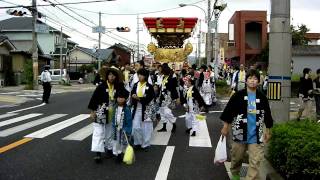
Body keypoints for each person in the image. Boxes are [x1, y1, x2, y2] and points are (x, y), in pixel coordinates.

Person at [220, 69, 273, 180]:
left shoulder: (262, 97)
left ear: (258, 81)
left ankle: (250, 178)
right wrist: (226, 126)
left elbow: (267, 114)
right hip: (240, 132)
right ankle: (235, 174)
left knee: (255, 160)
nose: (252, 81)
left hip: (256, 134)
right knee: (237, 157)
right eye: (250, 78)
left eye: (255, 79)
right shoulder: (238, 95)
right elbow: (229, 111)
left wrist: (268, 130)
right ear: (246, 80)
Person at [88, 67, 124, 163]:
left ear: (116, 77)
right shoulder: (101, 86)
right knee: (98, 132)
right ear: (107, 76)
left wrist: (123, 98)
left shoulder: (119, 86)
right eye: (110, 75)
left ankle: (109, 149)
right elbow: (94, 99)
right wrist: (92, 111)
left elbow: (124, 95)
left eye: (113, 75)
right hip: (101, 110)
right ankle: (98, 153)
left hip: (113, 112)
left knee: (110, 133)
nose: (111, 77)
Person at [131, 68, 155, 151]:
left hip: (146, 109)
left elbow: (149, 98)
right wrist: (134, 97)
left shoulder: (149, 86)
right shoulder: (135, 84)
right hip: (137, 108)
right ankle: (137, 142)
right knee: (135, 127)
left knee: (146, 127)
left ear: (145, 76)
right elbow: (132, 94)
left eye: (141, 75)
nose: (139, 76)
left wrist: (138, 98)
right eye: (138, 74)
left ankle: (146, 144)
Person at [157, 64, 180, 133]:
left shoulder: (171, 78)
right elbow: (161, 87)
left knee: (167, 112)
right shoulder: (164, 77)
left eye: (161, 69)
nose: (160, 70)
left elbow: (174, 89)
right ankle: (164, 127)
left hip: (168, 97)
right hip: (162, 96)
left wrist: (177, 98)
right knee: (162, 112)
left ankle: (174, 123)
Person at [111, 88, 132, 162]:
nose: (120, 99)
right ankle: (118, 154)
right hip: (116, 128)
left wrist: (127, 129)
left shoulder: (127, 109)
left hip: (123, 129)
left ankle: (122, 154)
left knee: (123, 142)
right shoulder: (115, 107)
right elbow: (113, 117)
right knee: (116, 141)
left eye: (122, 98)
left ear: (125, 99)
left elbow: (129, 120)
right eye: (118, 97)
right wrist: (113, 125)